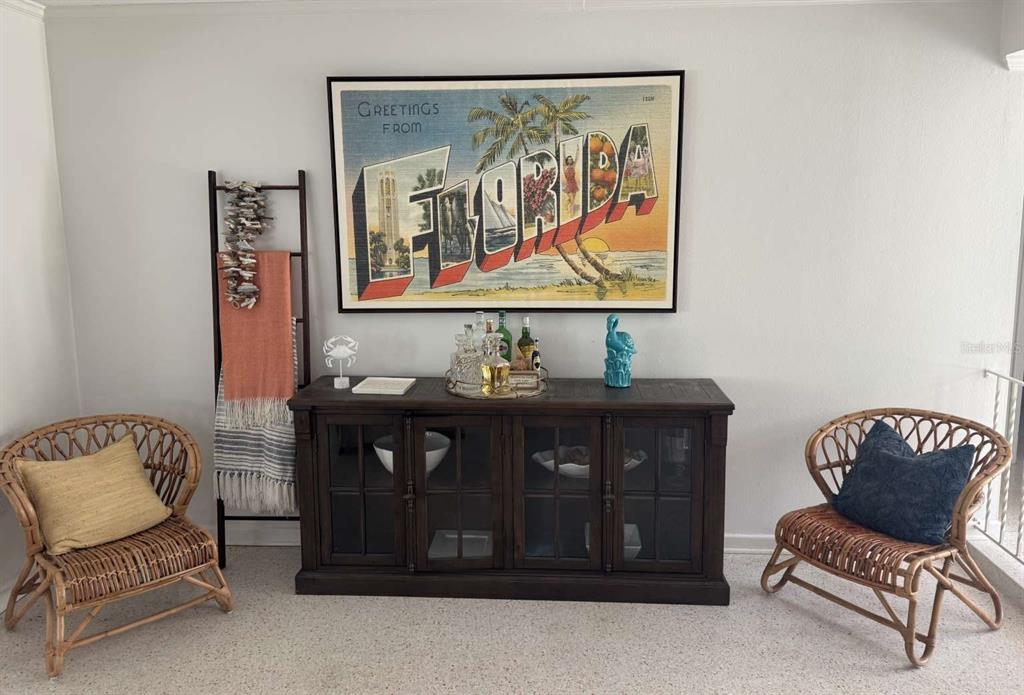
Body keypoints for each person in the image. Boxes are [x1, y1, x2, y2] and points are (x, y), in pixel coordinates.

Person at [562, 146, 579, 216]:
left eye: (571, 159)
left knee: (572, 199)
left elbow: (576, 158)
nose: (570, 160)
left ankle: (566, 205)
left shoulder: (573, 166)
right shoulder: (565, 166)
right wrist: (563, 148)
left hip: (574, 184)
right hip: (568, 185)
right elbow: (563, 157)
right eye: (569, 159)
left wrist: (577, 150)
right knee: (572, 200)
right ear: (567, 160)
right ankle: (572, 213)